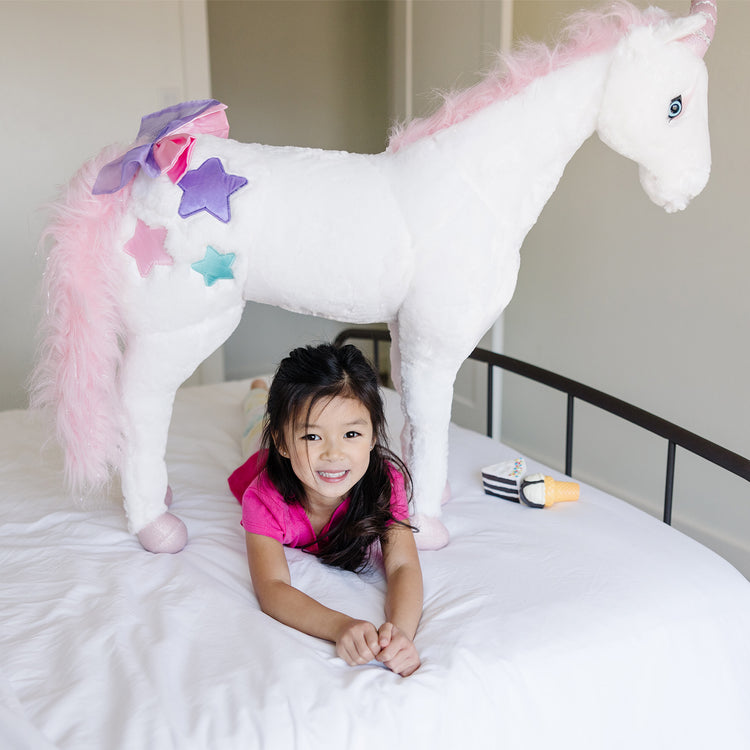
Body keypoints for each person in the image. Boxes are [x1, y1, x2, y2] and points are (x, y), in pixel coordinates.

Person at [228, 343, 423, 677]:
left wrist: (400, 632)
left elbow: (403, 564)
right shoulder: (262, 497)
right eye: (312, 437)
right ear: (283, 442)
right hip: (262, 462)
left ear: (374, 434)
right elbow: (272, 588)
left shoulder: (383, 483)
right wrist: (340, 626)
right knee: (251, 428)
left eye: (351, 434)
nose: (334, 454)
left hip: (292, 458)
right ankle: (256, 395)